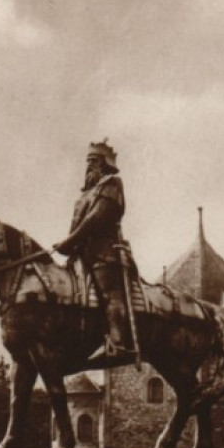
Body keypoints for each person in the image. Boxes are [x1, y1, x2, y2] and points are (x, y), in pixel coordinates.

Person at [53, 139, 132, 362]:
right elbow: (77, 224)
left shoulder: (112, 184)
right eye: (87, 162)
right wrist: (68, 246)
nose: (89, 167)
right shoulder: (84, 195)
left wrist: (69, 241)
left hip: (105, 253)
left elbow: (95, 219)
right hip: (81, 254)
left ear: (105, 164)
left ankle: (117, 342)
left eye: (94, 161)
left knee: (109, 293)